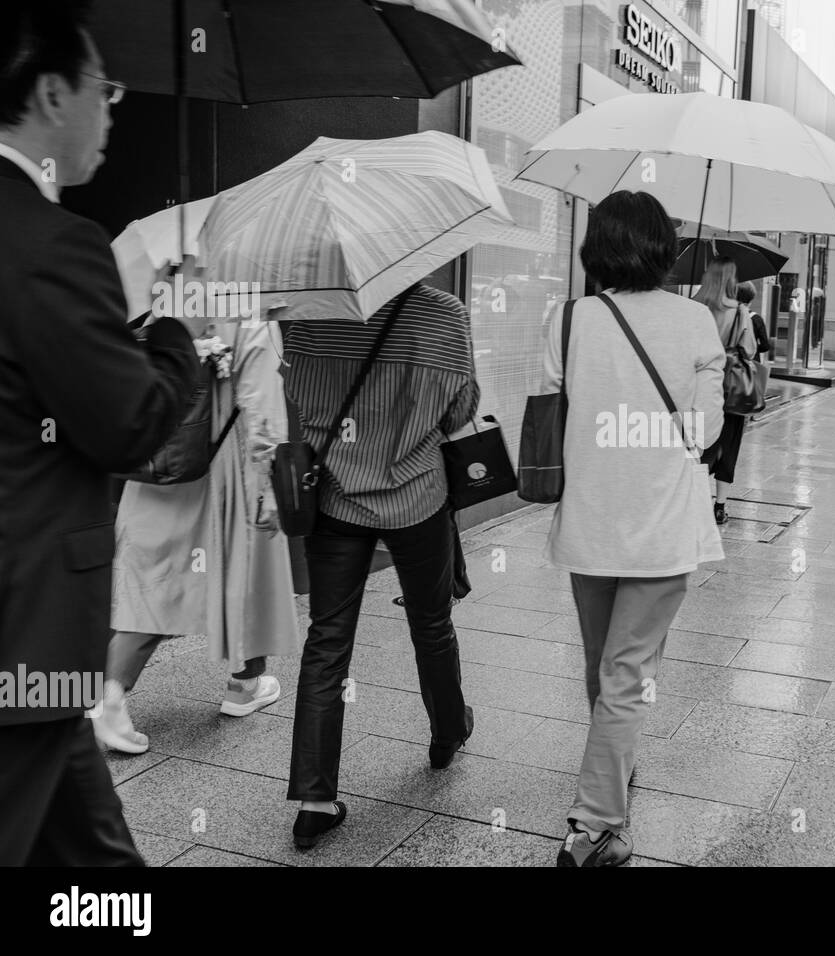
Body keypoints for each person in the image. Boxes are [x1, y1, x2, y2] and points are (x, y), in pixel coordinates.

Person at [0, 1, 200, 865]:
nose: (113, 108)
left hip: (36, 664)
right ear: (50, 93)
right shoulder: (50, 243)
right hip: (25, 638)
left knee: (98, 868)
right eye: (104, 88)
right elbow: (130, 424)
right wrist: (170, 329)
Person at [543, 191, 724, 866]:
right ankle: (593, 827)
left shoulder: (566, 319)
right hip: (661, 529)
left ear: (598, 247)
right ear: (663, 247)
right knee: (625, 672)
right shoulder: (695, 322)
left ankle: (610, 776)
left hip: (590, 524)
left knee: (604, 667)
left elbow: (564, 401)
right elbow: (705, 435)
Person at [282, 279, 479, 849]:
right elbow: (462, 408)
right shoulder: (444, 313)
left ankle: (314, 800)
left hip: (336, 497)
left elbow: (297, 393)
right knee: (431, 621)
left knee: (327, 639)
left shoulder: (311, 310)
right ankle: (446, 734)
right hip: (416, 494)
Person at [94, 313, 298, 754]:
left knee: (151, 582)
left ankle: (109, 697)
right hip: (227, 467)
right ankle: (245, 683)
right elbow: (262, 404)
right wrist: (269, 480)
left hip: (157, 465)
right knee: (246, 568)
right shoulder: (250, 312)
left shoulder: (152, 300)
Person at [694, 258, 756, 525]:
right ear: (731, 280)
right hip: (730, 388)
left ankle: (695, 500)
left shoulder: (693, 308)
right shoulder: (741, 312)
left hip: (696, 386)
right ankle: (720, 506)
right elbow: (750, 350)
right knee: (728, 445)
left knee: (695, 444)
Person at [741, 282, 771, 361]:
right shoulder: (756, 319)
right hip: (752, 362)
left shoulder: (730, 316)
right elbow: (765, 346)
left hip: (732, 362)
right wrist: (754, 348)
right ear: (750, 301)